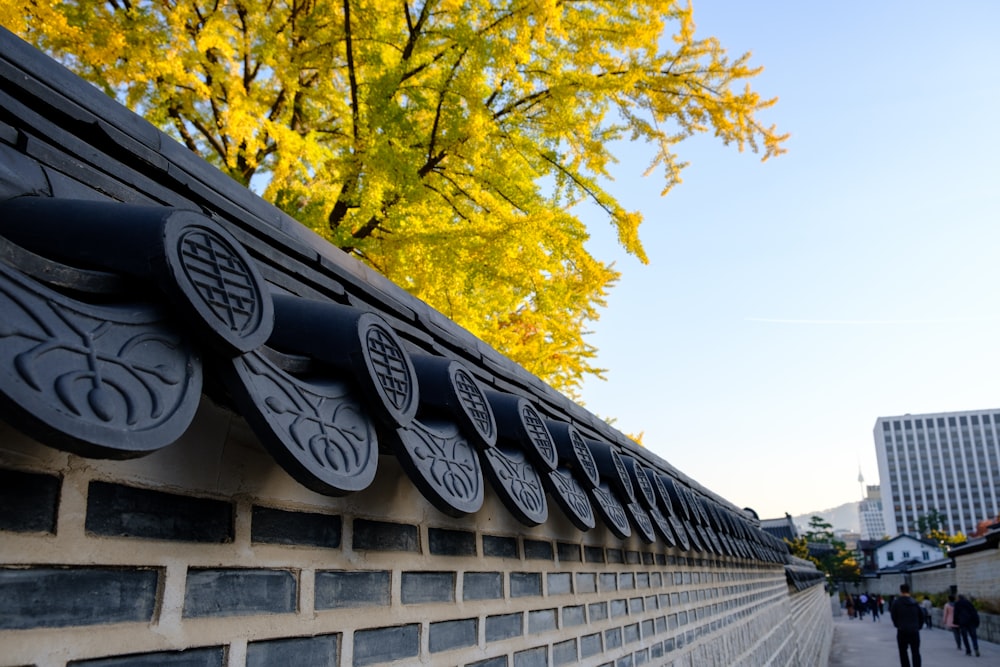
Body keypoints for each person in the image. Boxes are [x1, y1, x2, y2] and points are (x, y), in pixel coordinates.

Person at [890, 583, 923, 667]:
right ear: (909, 591)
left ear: (900, 590)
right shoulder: (915, 603)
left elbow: (893, 616)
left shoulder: (896, 603)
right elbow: (921, 616)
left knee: (903, 652)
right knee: (916, 652)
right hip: (914, 630)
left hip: (902, 630)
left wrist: (898, 625)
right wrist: (918, 626)